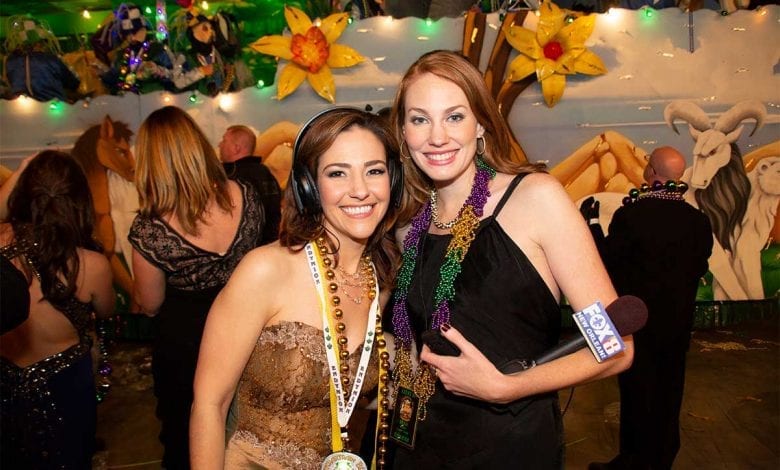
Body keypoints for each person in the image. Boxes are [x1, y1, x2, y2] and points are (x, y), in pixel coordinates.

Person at [387, 49, 634, 469]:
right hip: (416, 445)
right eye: (420, 119)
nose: (437, 137)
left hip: (508, 445)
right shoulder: (408, 226)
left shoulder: (537, 198)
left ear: (481, 122)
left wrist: (508, 386)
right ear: (404, 133)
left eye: (454, 116)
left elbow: (616, 346)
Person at [190, 107, 402, 469]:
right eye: (338, 173)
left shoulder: (380, 279)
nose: (360, 190)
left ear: (391, 180)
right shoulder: (266, 270)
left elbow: (344, 395)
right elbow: (209, 404)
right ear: (309, 186)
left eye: (374, 171)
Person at [128, 106, 265, 470]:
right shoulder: (246, 195)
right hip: (248, 333)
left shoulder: (149, 229)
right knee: (251, 437)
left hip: (187, 346)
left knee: (185, 439)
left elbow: (151, 302)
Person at [583, 146, 713, 470]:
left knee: (638, 394)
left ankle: (632, 461)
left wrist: (593, 222)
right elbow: (699, 267)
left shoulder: (632, 216)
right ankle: (661, 458)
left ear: (651, 171)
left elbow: (608, 263)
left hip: (637, 327)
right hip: (677, 326)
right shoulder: (698, 221)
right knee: (669, 393)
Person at [0, 150, 115, 468]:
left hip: (5, 383)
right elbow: (105, 313)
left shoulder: (1, 241)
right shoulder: (91, 264)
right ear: (79, 198)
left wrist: (20, 173)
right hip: (64, 386)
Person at [219, 124, 282, 244]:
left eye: (224, 140)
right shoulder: (266, 173)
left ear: (236, 148)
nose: (219, 145)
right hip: (268, 246)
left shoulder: (232, 177)